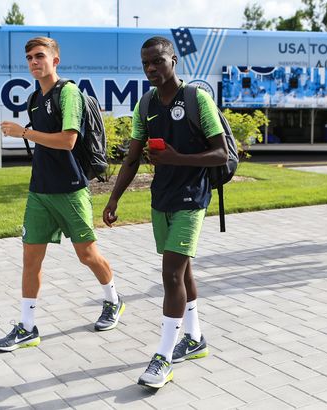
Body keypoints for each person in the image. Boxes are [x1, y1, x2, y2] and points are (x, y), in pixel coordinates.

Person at [103, 36, 227, 389]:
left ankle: (163, 357)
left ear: (173, 60)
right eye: (145, 64)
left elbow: (220, 153)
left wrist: (178, 158)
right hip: (162, 200)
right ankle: (195, 338)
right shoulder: (145, 105)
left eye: (157, 61)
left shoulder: (197, 99)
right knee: (183, 271)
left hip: (193, 198)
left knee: (171, 274)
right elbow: (131, 157)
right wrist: (114, 200)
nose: (151, 69)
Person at [0, 37, 124, 352]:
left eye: (40, 56)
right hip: (40, 191)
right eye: (29, 58)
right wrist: (28, 133)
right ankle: (27, 326)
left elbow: (67, 141)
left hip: (70, 190)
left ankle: (113, 300)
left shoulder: (69, 93)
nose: (34, 62)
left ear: (55, 60)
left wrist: (22, 132)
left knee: (87, 255)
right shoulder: (35, 98)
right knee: (30, 260)